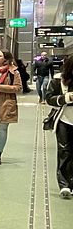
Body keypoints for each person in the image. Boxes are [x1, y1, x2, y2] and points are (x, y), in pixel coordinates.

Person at [44, 55, 73, 199]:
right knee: (64, 151)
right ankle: (64, 185)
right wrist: (66, 98)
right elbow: (49, 98)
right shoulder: (58, 80)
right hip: (64, 120)